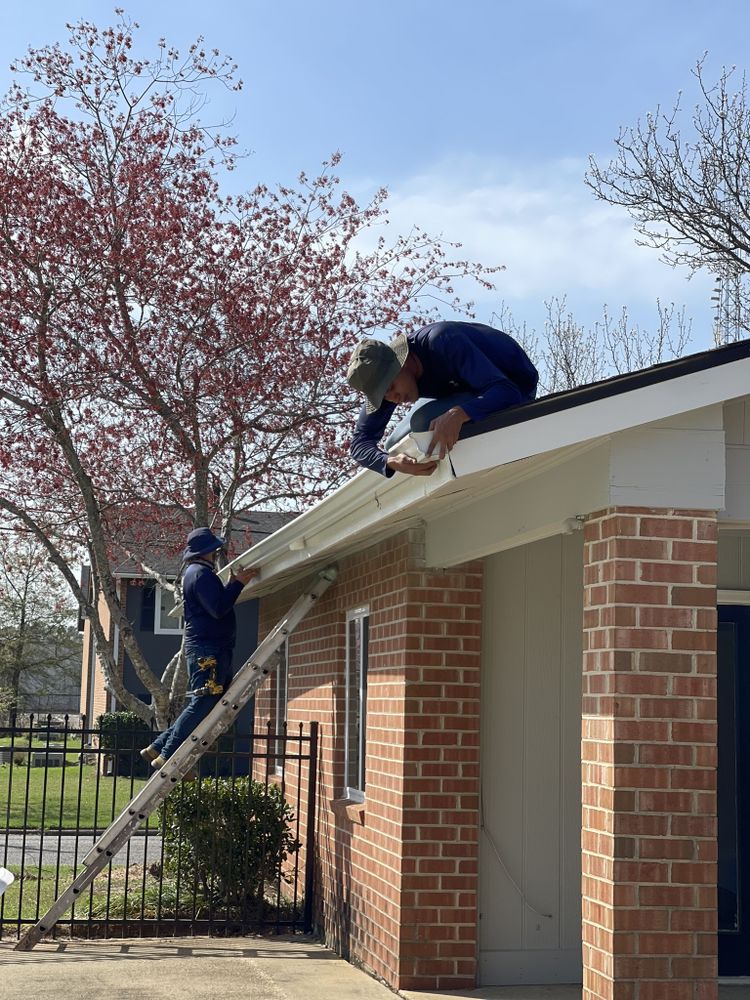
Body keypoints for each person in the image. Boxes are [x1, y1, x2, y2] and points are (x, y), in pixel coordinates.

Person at [346, 320, 539, 477]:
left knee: (423, 423)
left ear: (401, 363)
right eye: (383, 396)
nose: (393, 399)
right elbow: (360, 443)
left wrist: (459, 414)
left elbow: (508, 391)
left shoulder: (443, 341)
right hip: (461, 391)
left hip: (512, 385)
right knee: (394, 445)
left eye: (391, 387)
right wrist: (388, 461)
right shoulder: (386, 386)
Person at [141, 527, 257, 770]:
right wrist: (237, 584)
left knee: (206, 701)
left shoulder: (195, 574)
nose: (217, 554)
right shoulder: (200, 575)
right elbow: (218, 608)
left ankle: (159, 746)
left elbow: (213, 604)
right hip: (208, 650)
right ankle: (167, 753)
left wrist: (232, 583)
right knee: (203, 702)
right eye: (215, 550)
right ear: (208, 551)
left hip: (209, 648)